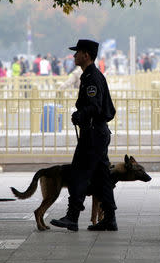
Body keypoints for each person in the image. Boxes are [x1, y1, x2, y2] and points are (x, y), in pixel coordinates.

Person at [50, 39, 117, 232]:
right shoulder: (90, 75)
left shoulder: (91, 77)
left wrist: (80, 114)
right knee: (102, 177)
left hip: (93, 132)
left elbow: (94, 106)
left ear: (85, 55)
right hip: (98, 131)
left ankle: (72, 216)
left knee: (78, 172)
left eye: (77, 52)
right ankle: (110, 219)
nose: (74, 56)